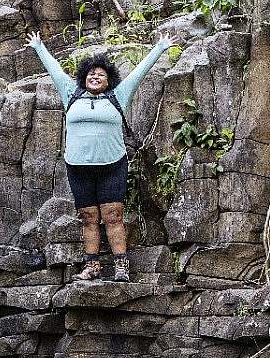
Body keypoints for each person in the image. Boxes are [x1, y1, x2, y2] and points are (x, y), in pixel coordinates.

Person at [28, 29, 176, 282]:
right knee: (88, 217)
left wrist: (160, 47)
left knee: (113, 216)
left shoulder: (118, 96)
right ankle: (92, 266)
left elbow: (139, 73)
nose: (95, 76)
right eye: (91, 74)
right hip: (78, 167)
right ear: (83, 78)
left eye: (101, 75)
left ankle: (121, 266)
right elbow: (55, 71)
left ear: (109, 81)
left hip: (112, 165)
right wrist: (39, 47)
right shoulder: (70, 94)